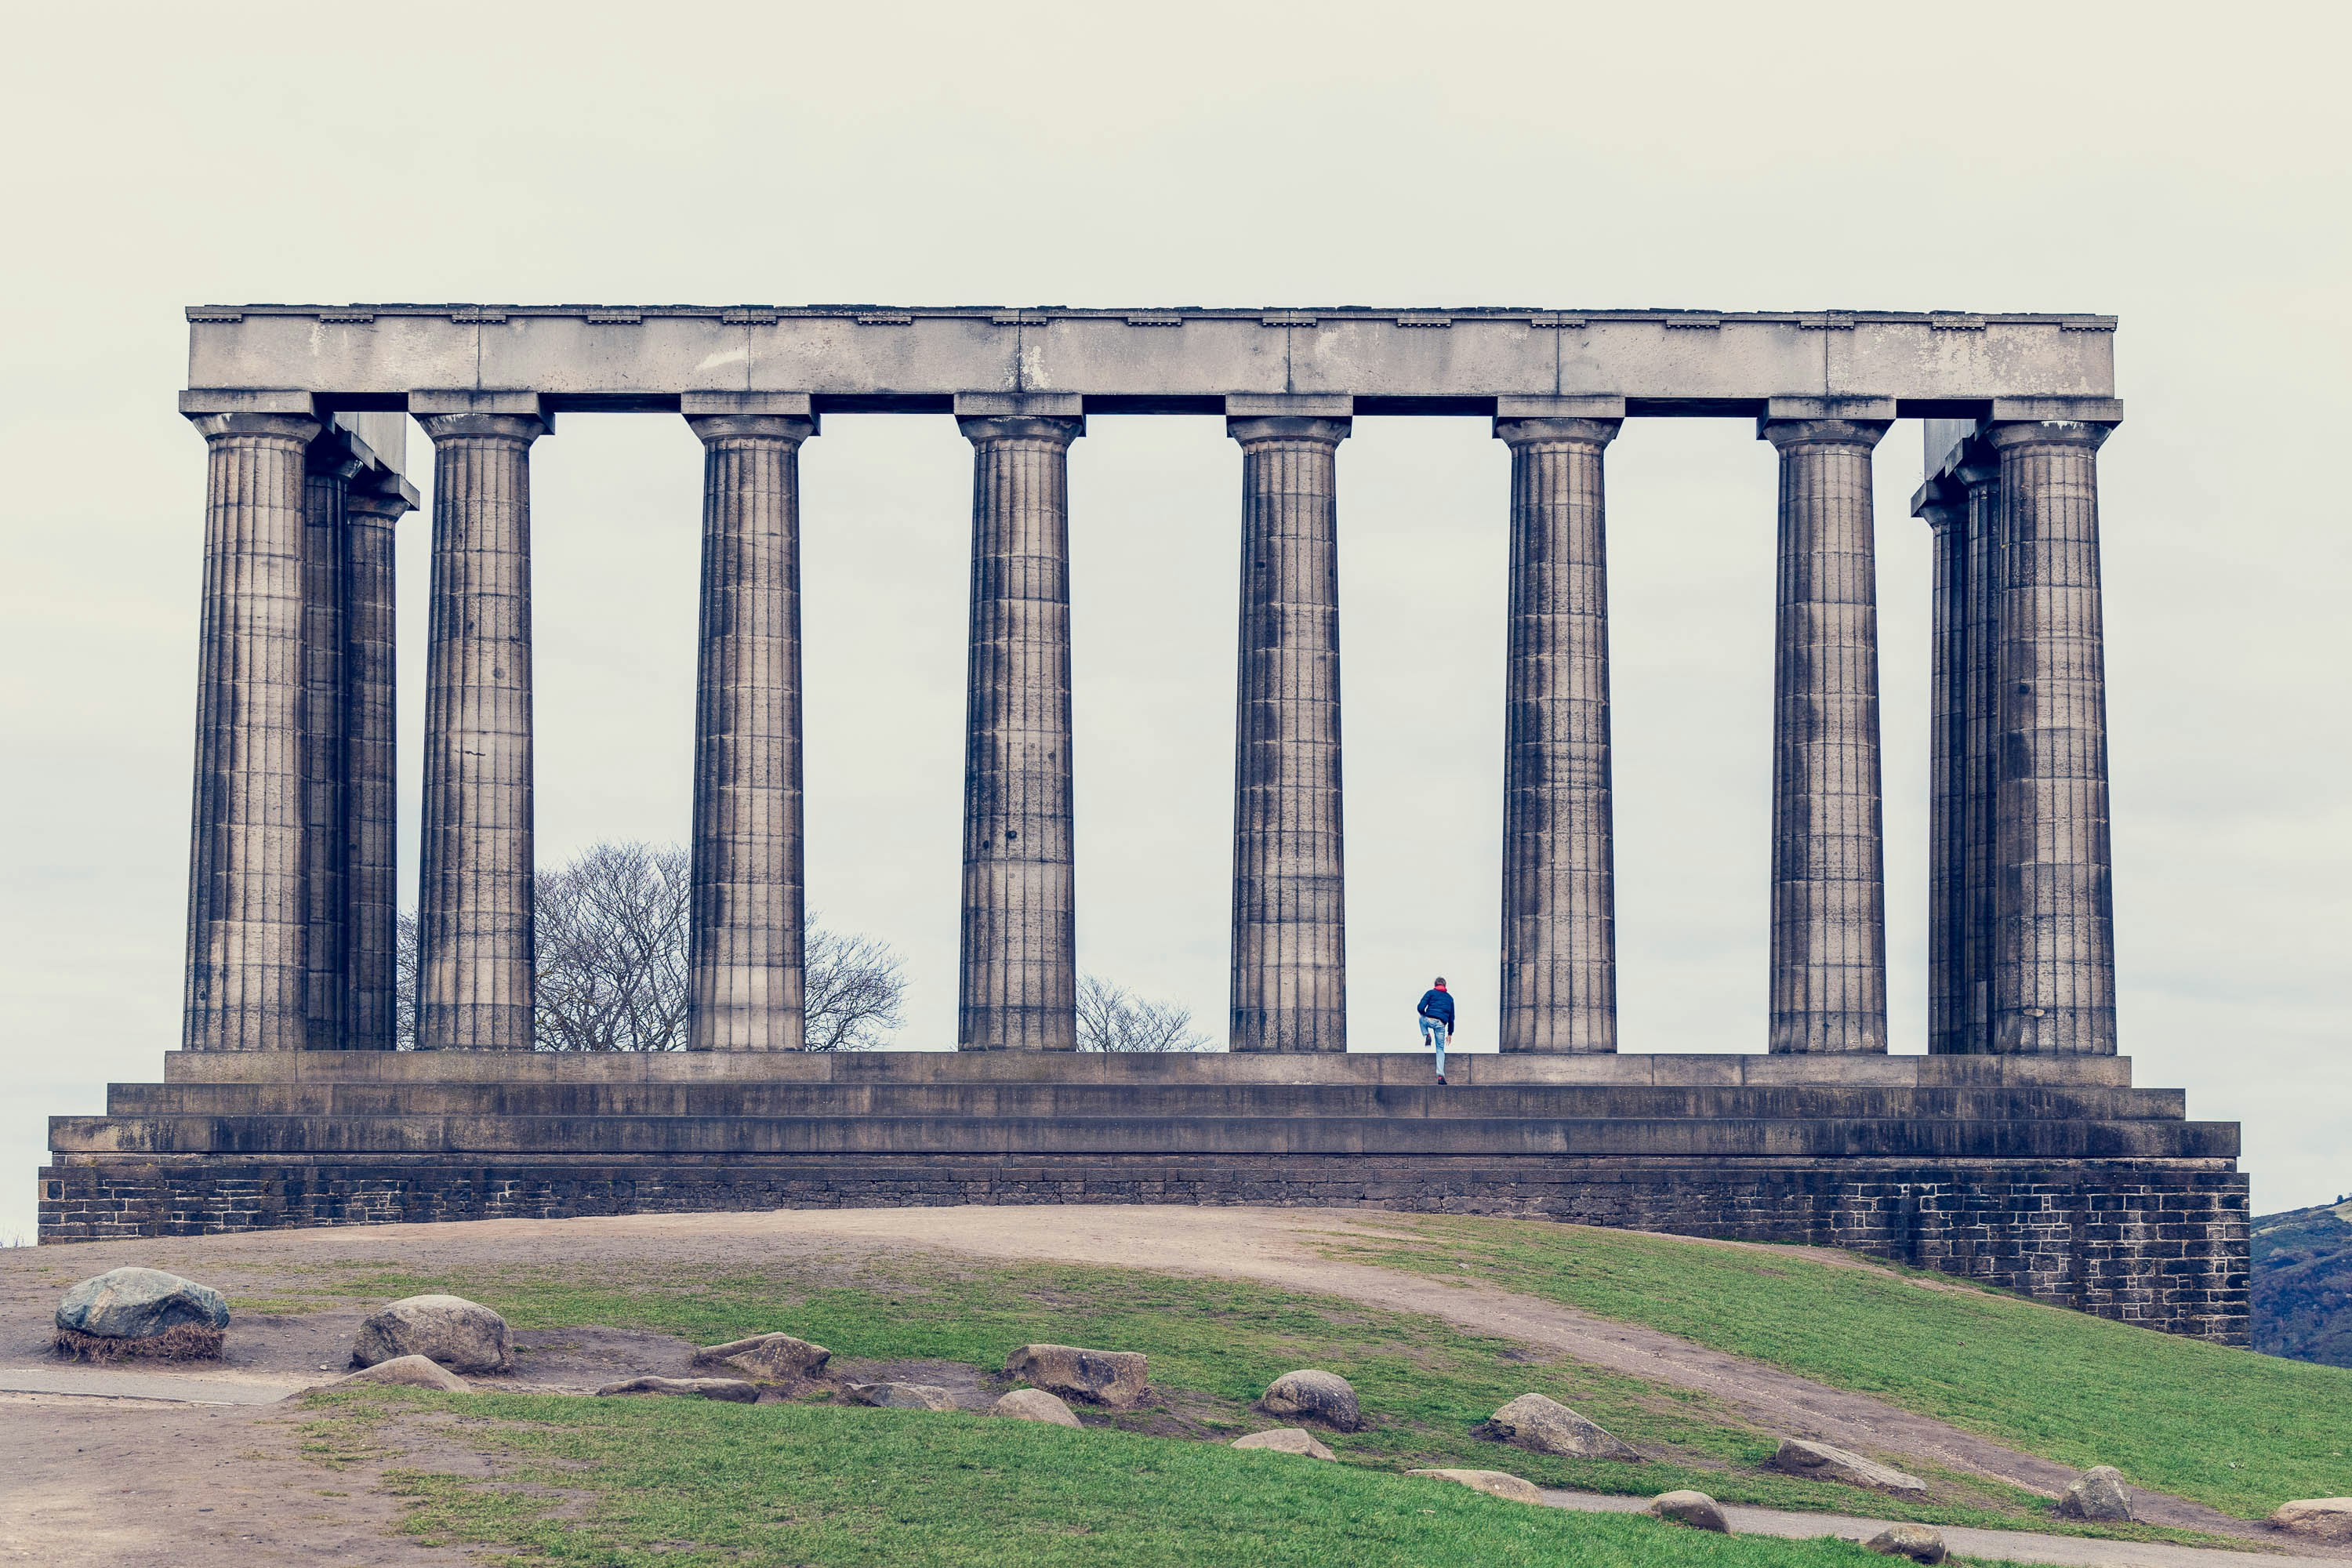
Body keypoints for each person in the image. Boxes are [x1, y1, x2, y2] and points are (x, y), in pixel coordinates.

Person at [1416, 977, 1455, 1083]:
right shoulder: (1450, 998)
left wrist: (1425, 1015)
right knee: (1440, 1049)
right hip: (1441, 1025)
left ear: (1435, 984)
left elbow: (1420, 1007)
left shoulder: (1430, 993)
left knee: (1421, 1019)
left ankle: (1427, 1035)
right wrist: (1450, 1033)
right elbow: (1452, 1018)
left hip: (1429, 1019)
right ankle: (1440, 1076)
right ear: (1445, 985)